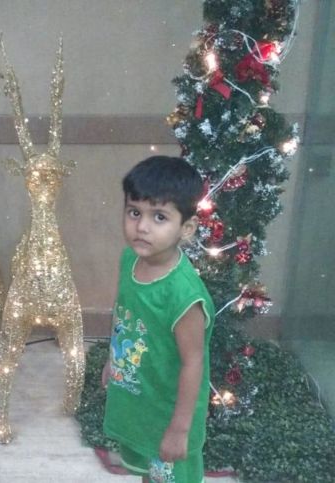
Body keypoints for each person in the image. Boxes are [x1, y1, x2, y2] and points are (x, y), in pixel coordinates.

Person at [101, 155, 215, 483]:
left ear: (187, 228)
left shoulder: (183, 295)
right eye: (134, 212)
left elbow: (193, 363)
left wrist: (179, 430)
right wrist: (113, 359)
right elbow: (123, 313)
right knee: (149, 473)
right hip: (141, 405)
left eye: (159, 217)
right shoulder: (130, 260)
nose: (142, 227)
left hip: (169, 413)